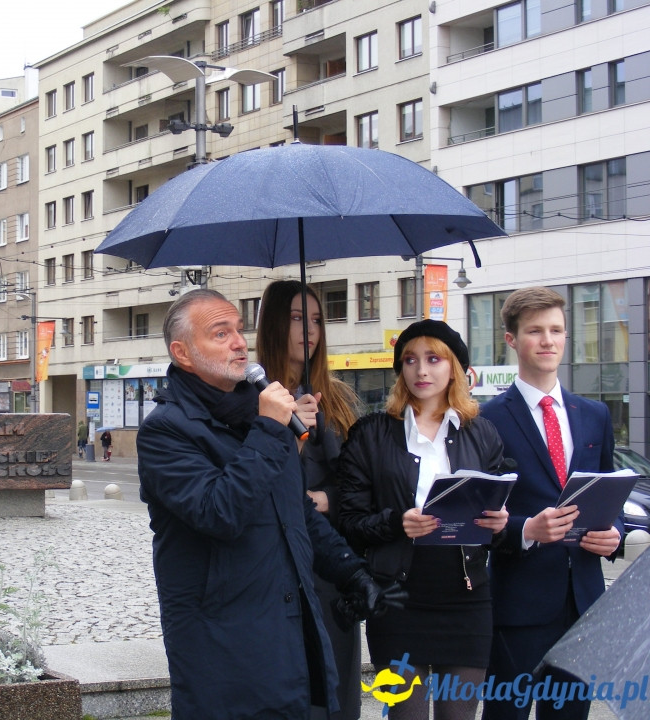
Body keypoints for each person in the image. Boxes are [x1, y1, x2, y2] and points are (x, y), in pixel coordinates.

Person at [136, 288, 390, 719]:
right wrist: (272, 430)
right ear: (183, 353)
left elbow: (296, 513)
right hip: (223, 644)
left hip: (289, 629)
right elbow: (220, 512)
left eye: (239, 329)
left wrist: (351, 571)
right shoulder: (167, 431)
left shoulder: (252, 416)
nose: (239, 342)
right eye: (221, 333)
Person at [337, 319, 509, 720]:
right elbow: (349, 521)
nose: (421, 370)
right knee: (407, 716)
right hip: (398, 600)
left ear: (455, 368)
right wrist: (399, 522)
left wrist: (499, 524)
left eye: (434, 359)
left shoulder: (482, 434)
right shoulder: (371, 433)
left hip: (466, 600)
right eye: (410, 360)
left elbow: (497, 524)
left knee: (457, 716)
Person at [481, 287, 620, 720]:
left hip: (582, 604)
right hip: (517, 603)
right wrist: (526, 530)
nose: (548, 340)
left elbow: (607, 497)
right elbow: (475, 516)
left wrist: (614, 537)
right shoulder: (486, 419)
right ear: (510, 339)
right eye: (535, 331)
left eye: (557, 330)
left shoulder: (594, 414)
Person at [256, 280, 362, 720]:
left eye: (317, 319)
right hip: (278, 570)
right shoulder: (257, 396)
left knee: (337, 697)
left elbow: (359, 483)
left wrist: (325, 499)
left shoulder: (335, 398)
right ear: (276, 323)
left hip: (331, 565)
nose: (310, 329)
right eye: (298, 318)